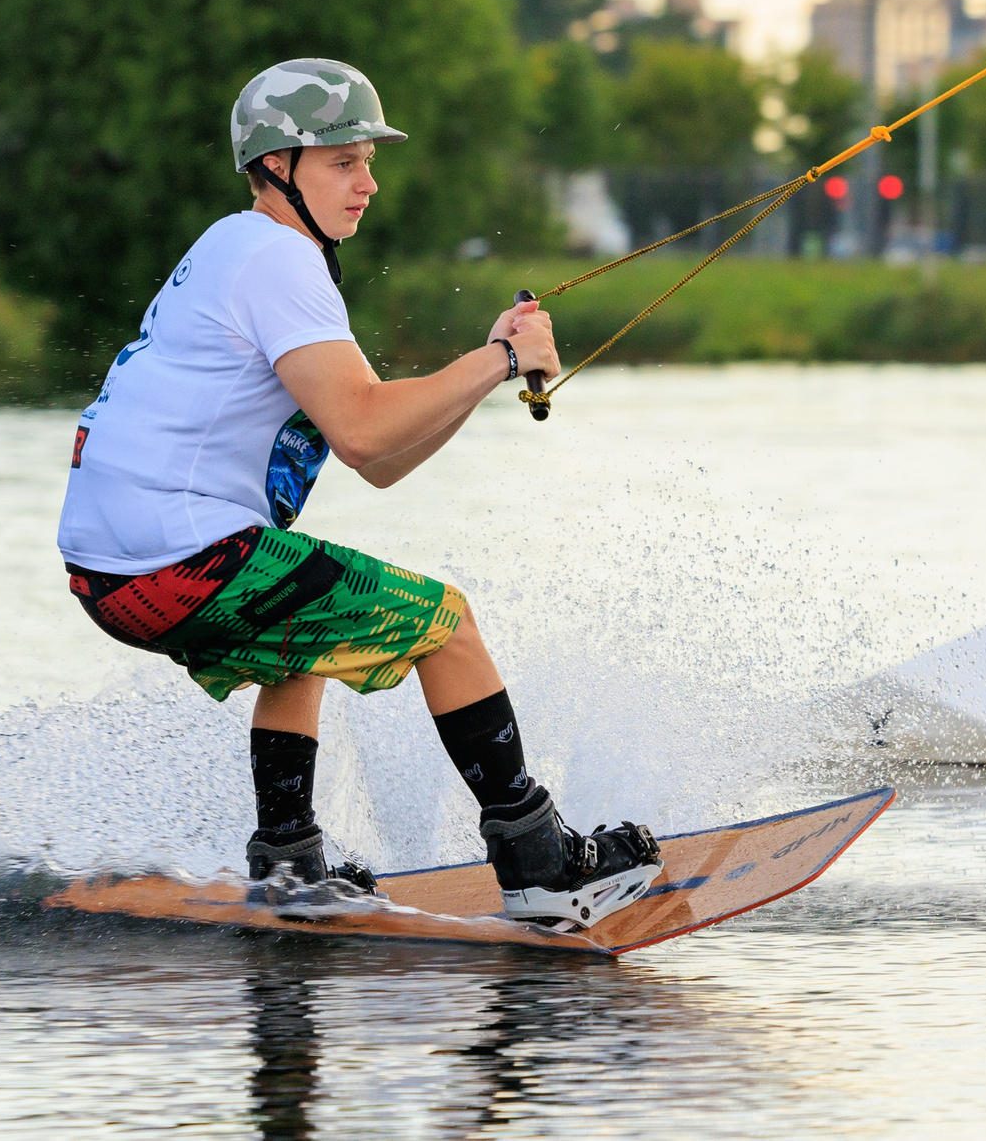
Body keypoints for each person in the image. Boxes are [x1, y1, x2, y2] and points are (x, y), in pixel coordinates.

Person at [57, 57, 658, 929]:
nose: (368, 183)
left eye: (369, 161)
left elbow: (380, 458)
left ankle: (291, 865)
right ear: (276, 167)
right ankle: (543, 867)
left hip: (114, 573)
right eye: (343, 162)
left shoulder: (238, 249)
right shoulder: (276, 260)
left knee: (300, 634)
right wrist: (498, 361)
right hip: (182, 559)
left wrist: (488, 367)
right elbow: (368, 430)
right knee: (444, 623)